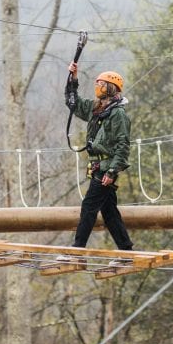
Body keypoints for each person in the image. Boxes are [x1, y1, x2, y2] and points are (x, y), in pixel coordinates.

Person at [61, 62, 134, 262]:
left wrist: (112, 172)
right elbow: (72, 102)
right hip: (97, 168)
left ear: (111, 88)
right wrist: (73, 79)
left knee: (89, 208)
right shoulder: (97, 109)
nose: (98, 87)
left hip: (105, 169)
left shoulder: (117, 114)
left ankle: (78, 251)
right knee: (109, 212)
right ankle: (126, 251)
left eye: (101, 84)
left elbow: (123, 145)